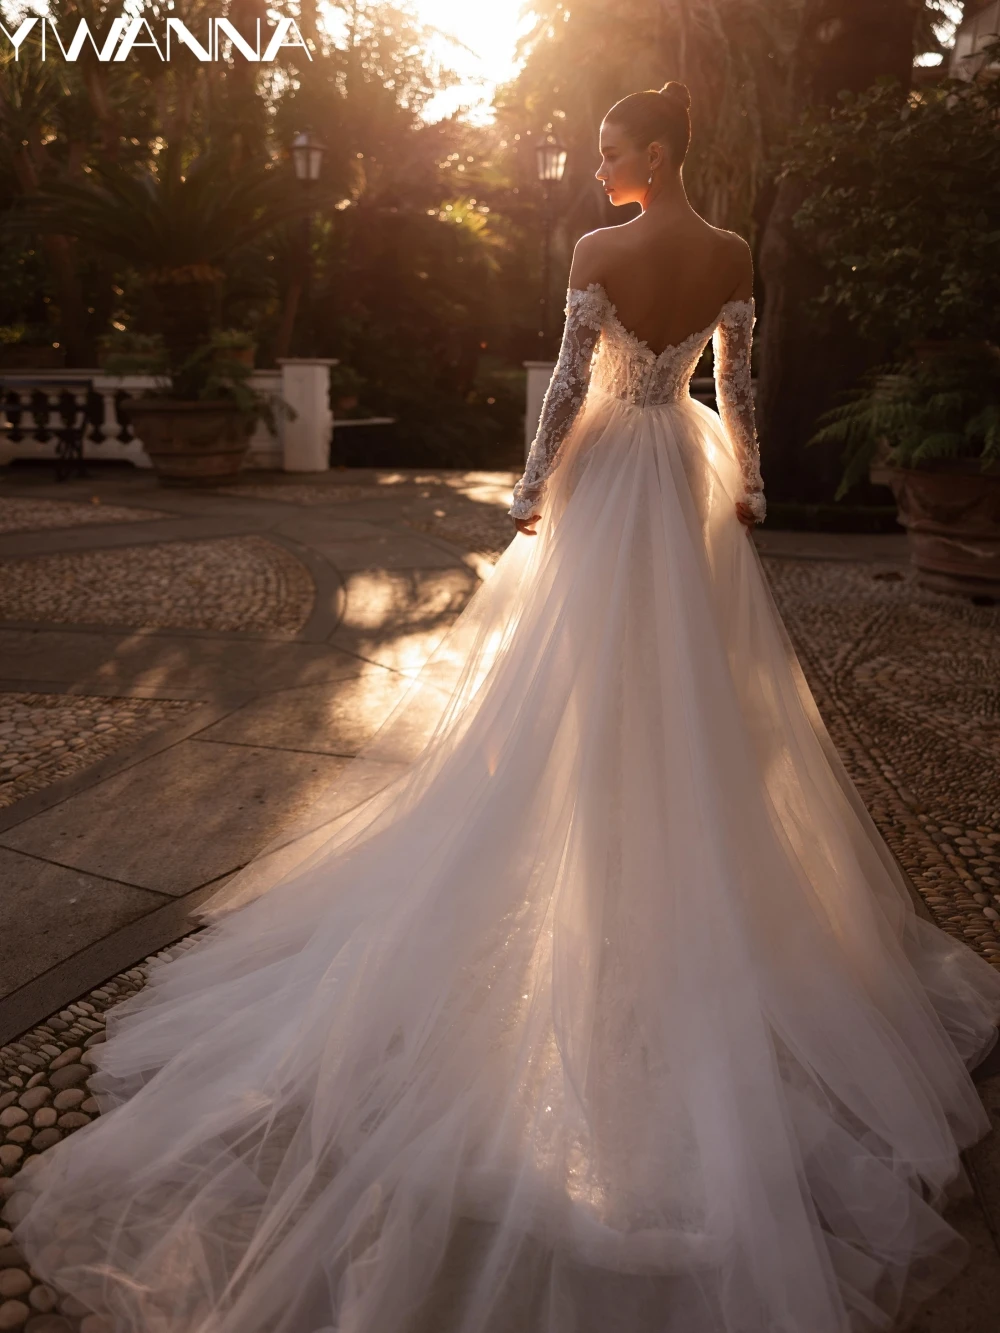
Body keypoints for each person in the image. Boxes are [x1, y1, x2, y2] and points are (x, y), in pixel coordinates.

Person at [5, 81, 1000, 1333]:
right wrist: (745, 483)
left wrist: (533, 487)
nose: (597, 169)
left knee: (579, 688)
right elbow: (740, 382)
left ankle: (597, 860)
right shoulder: (733, 250)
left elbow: (568, 383)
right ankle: (673, 865)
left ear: (656, 148)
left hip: (607, 478)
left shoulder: (600, 250)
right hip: (684, 474)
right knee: (693, 693)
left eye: (609, 150)